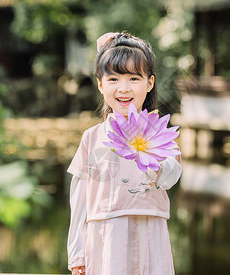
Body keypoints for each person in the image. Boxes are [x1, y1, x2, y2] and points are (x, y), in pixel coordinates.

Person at [67, 32, 182, 275]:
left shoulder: (159, 133)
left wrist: (150, 155)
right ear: (100, 84)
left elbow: (171, 176)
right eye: (113, 79)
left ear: (149, 83)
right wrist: (77, 253)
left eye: (133, 78)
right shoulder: (92, 138)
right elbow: (79, 200)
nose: (123, 88)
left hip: (151, 231)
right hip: (106, 238)